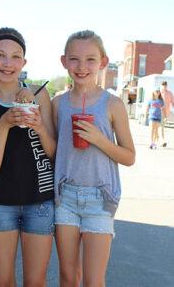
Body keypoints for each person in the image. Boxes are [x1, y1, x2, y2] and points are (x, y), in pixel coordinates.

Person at [0, 27, 56, 286]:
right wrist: (4, 125)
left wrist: (39, 125)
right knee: (3, 280)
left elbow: (54, 154)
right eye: (0, 55)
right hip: (1, 204)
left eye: (15, 56)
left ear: (24, 62)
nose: (8, 63)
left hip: (40, 201)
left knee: (35, 281)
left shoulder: (40, 94)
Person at [52, 30, 135, 286]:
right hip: (64, 197)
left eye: (90, 59)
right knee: (68, 277)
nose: (81, 66)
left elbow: (129, 156)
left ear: (103, 62)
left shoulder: (113, 104)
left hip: (100, 198)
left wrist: (99, 139)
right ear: (64, 61)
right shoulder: (58, 104)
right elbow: (55, 151)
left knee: (93, 280)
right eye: (74, 59)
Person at [160, 81, 174, 147]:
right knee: (161, 127)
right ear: (161, 86)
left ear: (167, 86)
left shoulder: (170, 93)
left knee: (162, 127)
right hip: (159, 113)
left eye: (165, 85)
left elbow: (173, 103)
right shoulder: (159, 93)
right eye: (163, 85)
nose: (164, 86)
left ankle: (161, 140)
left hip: (166, 113)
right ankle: (162, 141)